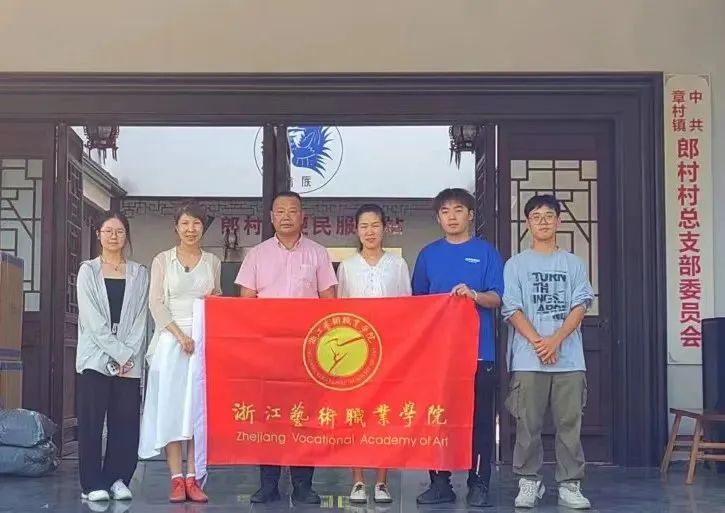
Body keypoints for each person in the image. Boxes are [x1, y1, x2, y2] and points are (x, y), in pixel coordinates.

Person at [235, 190, 337, 505]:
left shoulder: (318, 253)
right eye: (280, 211)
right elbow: (245, 303)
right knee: (270, 416)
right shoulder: (257, 255)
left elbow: (329, 302)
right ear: (271, 217)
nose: (286, 216)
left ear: (302, 216)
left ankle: (303, 485)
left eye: (292, 210)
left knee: (305, 417)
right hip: (268, 351)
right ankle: (268, 484)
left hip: (308, 352)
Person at [411, 188, 504, 508]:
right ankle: (440, 482)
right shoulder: (428, 255)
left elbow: (498, 298)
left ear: (470, 215)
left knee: (479, 422)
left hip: (480, 352)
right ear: (438, 218)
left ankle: (479, 483)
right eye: (445, 211)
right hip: (439, 355)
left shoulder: (486, 253)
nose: (452, 216)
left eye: (458, 210)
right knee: (439, 418)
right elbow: (418, 304)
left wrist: (473, 295)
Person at [501, 194, 594, 509]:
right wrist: (540, 343)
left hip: (569, 359)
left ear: (559, 221)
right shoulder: (515, 264)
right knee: (527, 424)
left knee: (570, 424)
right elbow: (511, 308)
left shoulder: (573, 264)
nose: (542, 221)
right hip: (528, 360)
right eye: (536, 216)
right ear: (528, 223)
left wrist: (555, 341)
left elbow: (580, 305)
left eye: (548, 216)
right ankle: (529, 481)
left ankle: (570, 484)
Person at [138, 202, 221, 503]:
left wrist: (213, 304)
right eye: (185, 223)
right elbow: (156, 303)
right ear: (176, 227)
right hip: (171, 341)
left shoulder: (212, 261)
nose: (190, 229)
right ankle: (176, 478)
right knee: (172, 409)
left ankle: (193, 477)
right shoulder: (163, 260)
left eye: (196, 223)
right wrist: (180, 335)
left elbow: (217, 297)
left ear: (203, 227)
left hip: (202, 342)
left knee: (197, 409)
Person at [337, 204, 412, 505]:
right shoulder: (347, 267)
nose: (370, 231)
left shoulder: (397, 265)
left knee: (385, 414)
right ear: (356, 230)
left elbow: (408, 308)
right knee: (355, 414)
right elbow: (340, 310)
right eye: (364, 226)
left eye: (375, 225)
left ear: (385, 228)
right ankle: (357, 480)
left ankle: (382, 481)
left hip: (390, 352)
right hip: (356, 352)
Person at [75, 211, 149, 503]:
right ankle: (91, 483)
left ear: (126, 235)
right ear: (98, 235)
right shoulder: (88, 271)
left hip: (129, 361)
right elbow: (92, 320)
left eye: (119, 231)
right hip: (95, 357)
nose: (113, 236)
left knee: (126, 422)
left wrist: (127, 355)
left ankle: (118, 479)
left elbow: (140, 318)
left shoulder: (139, 273)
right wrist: (118, 353)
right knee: (92, 422)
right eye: (108, 231)